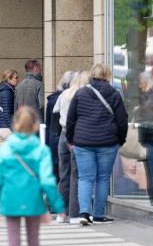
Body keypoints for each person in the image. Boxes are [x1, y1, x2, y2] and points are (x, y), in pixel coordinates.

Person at [0, 106, 65, 246]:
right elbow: (48, 181)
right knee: (34, 243)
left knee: (13, 244)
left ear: (15, 124)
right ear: (35, 126)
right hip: (33, 201)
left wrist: (1, 198)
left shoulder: (6, 149)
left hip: (10, 200)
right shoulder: (41, 150)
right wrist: (58, 206)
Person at [66, 63, 128, 225]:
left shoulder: (81, 93)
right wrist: (120, 140)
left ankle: (84, 213)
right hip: (108, 142)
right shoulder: (114, 94)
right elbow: (122, 121)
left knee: (85, 178)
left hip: (83, 142)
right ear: (107, 75)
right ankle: (99, 215)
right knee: (102, 178)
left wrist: (70, 139)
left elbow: (71, 119)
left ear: (92, 75)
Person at [53, 70, 88, 224]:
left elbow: (55, 113)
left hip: (63, 135)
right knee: (76, 175)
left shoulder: (64, 94)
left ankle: (61, 214)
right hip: (76, 136)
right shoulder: (83, 95)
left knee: (64, 175)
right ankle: (74, 214)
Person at [137, 67, 153, 206]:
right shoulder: (150, 94)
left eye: (141, 81)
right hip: (152, 138)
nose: (139, 84)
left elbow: (148, 117)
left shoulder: (152, 95)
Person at [45, 71, 74, 184]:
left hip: (54, 138)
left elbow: (48, 123)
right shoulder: (70, 98)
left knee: (59, 175)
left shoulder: (52, 99)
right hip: (65, 137)